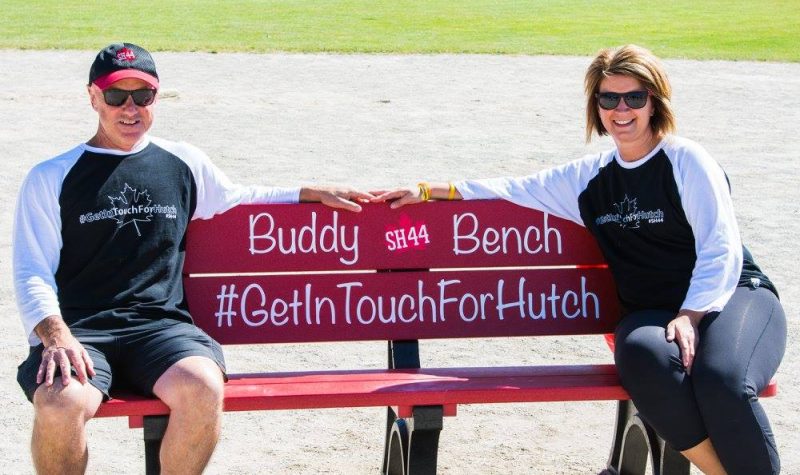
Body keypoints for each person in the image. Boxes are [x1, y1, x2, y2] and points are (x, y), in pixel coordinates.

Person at [376, 44, 786, 475]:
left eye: (634, 97)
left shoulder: (686, 161)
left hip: (732, 298)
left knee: (721, 382)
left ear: (654, 103)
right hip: (652, 314)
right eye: (608, 98)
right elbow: (512, 189)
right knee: (643, 358)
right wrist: (427, 191)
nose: (621, 109)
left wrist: (690, 316)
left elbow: (719, 247)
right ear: (596, 106)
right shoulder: (588, 178)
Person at [13, 42, 373, 474]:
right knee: (59, 401)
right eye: (115, 96)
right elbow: (31, 269)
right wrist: (57, 337)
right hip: (82, 331)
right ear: (93, 97)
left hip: (159, 328)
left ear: (156, 98)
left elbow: (239, 198)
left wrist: (309, 192)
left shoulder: (182, 161)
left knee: (203, 385)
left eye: (142, 96)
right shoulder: (53, 176)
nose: (130, 109)